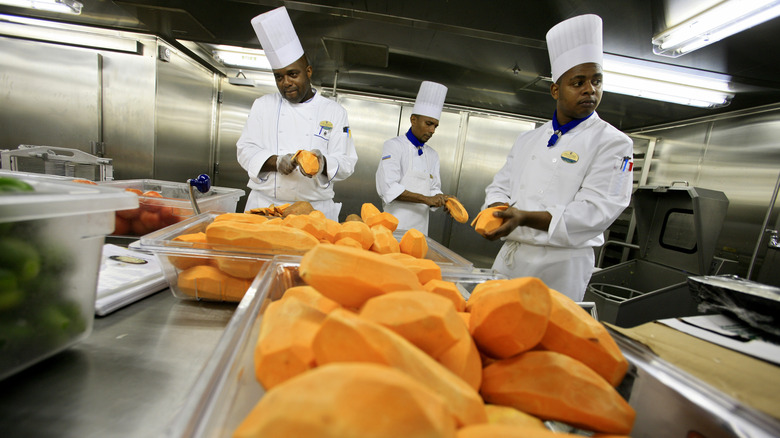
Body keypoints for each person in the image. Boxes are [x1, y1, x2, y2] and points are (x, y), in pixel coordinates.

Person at [479, 14, 634, 301]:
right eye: (578, 82)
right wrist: (496, 210)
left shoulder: (613, 143)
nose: (591, 89)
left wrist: (524, 217)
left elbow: (596, 211)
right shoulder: (529, 139)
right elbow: (500, 185)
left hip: (560, 269)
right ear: (555, 90)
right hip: (511, 260)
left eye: (597, 81)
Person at [236, 6, 358, 221]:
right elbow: (245, 150)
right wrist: (276, 161)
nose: (286, 83)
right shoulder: (262, 105)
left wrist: (322, 164)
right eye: (279, 77)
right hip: (265, 207)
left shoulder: (335, 112)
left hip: (314, 211)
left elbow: (347, 163)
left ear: (308, 71)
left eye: (293, 74)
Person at [375, 81, 454, 235]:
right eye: (429, 124)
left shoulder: (432, 155)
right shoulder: (394, 146)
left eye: (435, 126)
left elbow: (433, 189)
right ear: (413, 120)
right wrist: (426, 199)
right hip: (393, 230)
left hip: (420, 232)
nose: (432, 130)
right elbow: (388, 188)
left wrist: (443, 199)